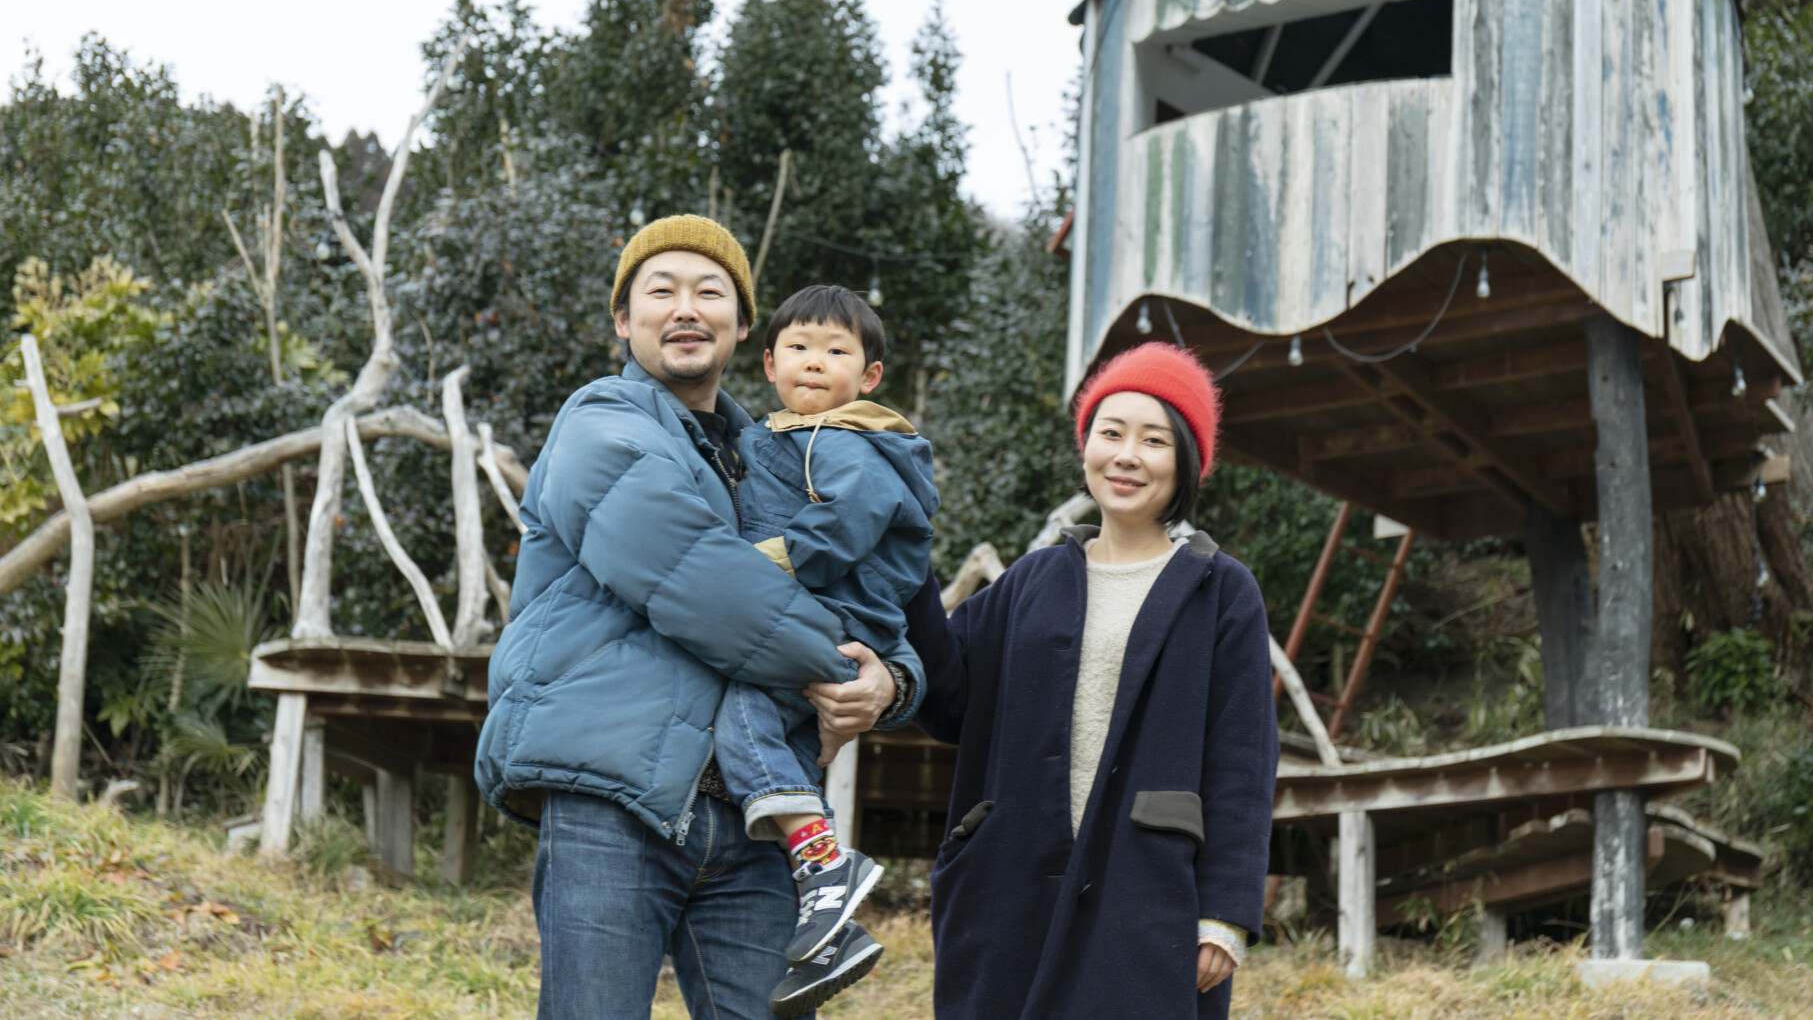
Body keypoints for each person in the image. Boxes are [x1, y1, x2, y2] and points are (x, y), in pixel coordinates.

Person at [475, 216, 921, 1020]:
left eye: (710, 291)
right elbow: (701, 582)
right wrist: (840, 664)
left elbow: (900, 594)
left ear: (745, 327)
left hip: (756, 819)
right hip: (614, 796)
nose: (686, 307)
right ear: (624, 320)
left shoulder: (788, 453)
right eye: (661, 290)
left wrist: (891, 680)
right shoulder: (600, 423)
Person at [906, 341, 1281, 1020]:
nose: (1127, 455)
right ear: (1086, 445)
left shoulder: (1222, 590)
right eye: (1110, 432)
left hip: (1148, 893)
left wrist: (1226, 910)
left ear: (1187, 460)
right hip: (1010, 880)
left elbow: (1243, 758)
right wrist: (902, 560)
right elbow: (948, 695)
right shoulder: (1033, 578)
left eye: (1154, 439)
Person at [716, 283, 939, 1017]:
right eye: (801, 348)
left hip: (833, 615)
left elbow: (850, 520)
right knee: (776, 742)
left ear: (868, 376)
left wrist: (766, 557)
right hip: (821, 613)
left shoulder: (850, 438)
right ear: (770, 361)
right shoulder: (780, 434)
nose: (817, 363)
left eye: (837, 352)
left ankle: (824, 861)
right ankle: (826, 917)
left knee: (745, 719)